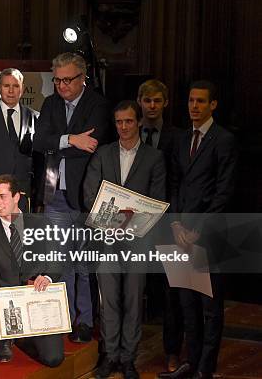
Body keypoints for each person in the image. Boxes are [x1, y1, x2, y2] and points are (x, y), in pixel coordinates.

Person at [158, 81, 237, 379]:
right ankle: (190, 363)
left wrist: (197, 230)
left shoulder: (224, 140)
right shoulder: (180, 139)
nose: (194, 106)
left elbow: (223, 192)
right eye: (191, 101)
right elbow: (175, 183)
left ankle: (205, 368)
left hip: (208, 234)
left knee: (209, 307)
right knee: (186, 303)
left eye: (201, 102)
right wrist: (176, 222)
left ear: (212, 105)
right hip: (179, 232)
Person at [83, 100, 166, 379]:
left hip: (137, 241)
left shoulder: (154, 158)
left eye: (129, 121)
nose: (123, 127)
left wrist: (129, 223)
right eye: (119, 122)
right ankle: (110, 355)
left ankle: (129, 358)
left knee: (132, 300)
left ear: (138, 122)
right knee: (109, 301)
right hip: (107, 240)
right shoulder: (104, 154)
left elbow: (157, 201)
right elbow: (89, 194)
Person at [33, 52, 111, 343]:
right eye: (57, 80)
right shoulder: (50, 103)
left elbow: (92, 145)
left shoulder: (98, 104)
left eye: (68, 80)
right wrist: (70, 138)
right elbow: (39, 142)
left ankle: (85, 320)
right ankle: (61, 315)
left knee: (82, 263)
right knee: (58, 261)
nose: (62, 86)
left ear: (83, 78)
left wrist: (60, 142)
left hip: (85, 196)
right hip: (54, 195)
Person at [0, 174, 64, 367]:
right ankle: (4, 340)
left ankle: (28, 336)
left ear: (17, 197)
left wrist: (47, 277)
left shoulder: (42, 224)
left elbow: (57, 262)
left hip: (39, 297)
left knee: (53, 359)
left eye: (2, 196)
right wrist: (18, 289)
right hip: (8, 296)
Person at [137, 79, 184, 371]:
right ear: (139, 101)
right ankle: (122, 350)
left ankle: (172, 352)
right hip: (134, 223)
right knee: (130, 286)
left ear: (165, 103)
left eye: (157, 101)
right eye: (147, 100)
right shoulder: (127, 131)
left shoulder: (177, 137)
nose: (152, 106)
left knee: (172, 291)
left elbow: (180, 180)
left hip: (168, 222)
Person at [0, 68, 39, 212]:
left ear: (22, 89)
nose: (11, 91)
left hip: (23, 193)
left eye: (15, 86)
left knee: (21, 232)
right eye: (6, 86)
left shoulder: (34, 117)